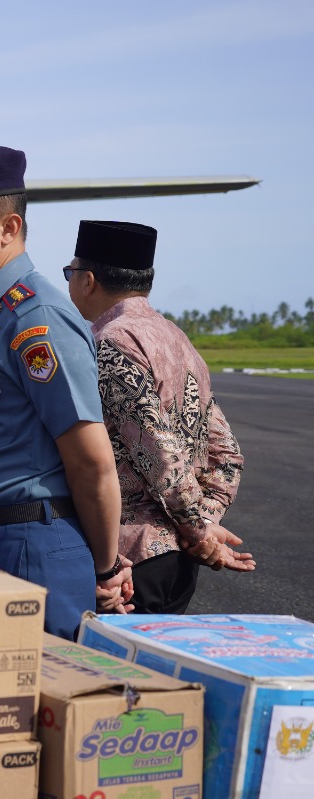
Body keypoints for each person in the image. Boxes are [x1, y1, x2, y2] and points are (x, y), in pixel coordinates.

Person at [0, 146, 132, 638]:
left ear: (8, 228)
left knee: (36, 684)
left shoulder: (35, 317)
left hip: (29, 550)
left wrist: (105, 568)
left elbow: (91, 461)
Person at [66, 220, 252, 613]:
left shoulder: (111, 343)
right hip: (179, 562)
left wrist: (200, 532)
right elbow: (227, 454)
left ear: (88, 280)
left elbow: (161, 455)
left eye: (70, 272)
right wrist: (204, 525)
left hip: (131, 563)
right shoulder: (177, 339)